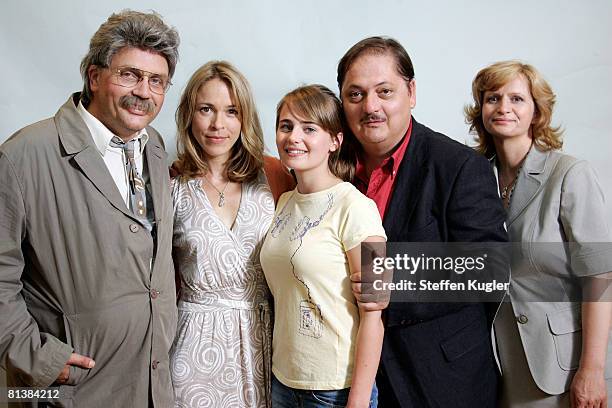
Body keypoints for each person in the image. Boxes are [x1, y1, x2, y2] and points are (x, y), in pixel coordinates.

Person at [0, 10, 180, 407]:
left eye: (157, 81)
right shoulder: (23, 156)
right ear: (95, 77)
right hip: (70, 391)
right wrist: (41, 360)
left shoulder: (153, 146)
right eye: (129, 75)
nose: (144, 92)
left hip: (151, 384)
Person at [338, 36, 508, 407]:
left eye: (385, 91)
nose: (371, 107)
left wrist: (393, 284)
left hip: (441, 380)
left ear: (411, 92)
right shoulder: (331, 169)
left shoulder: (459, 166)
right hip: (352, 379)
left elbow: (491, 267)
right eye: (356, 95)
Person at [465, 60, 612, 407]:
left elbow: (600, 278)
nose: (503, 107)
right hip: (501, 364)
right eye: (493, 98)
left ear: (536, 112)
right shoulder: (473, 179)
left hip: (566, 364)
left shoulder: (569, 174)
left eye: (516, 99)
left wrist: (591, 368)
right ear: (481, 110)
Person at [169, 60, 294, 408]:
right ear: (188, 114)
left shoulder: (272, 174)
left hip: (264, 340)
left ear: (245, 118)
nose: (217, 124)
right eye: (206, 109)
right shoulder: (171, 184)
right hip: (193, 346)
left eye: (231, 111)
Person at [260, 84, 387, 408]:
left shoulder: (357, 206)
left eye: (309, 128)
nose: (293, 137)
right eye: (286, 126)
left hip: (335, 390)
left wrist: (357, 401)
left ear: (335, 140)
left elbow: (374, 316)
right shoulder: (285, 200)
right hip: (283, 382)